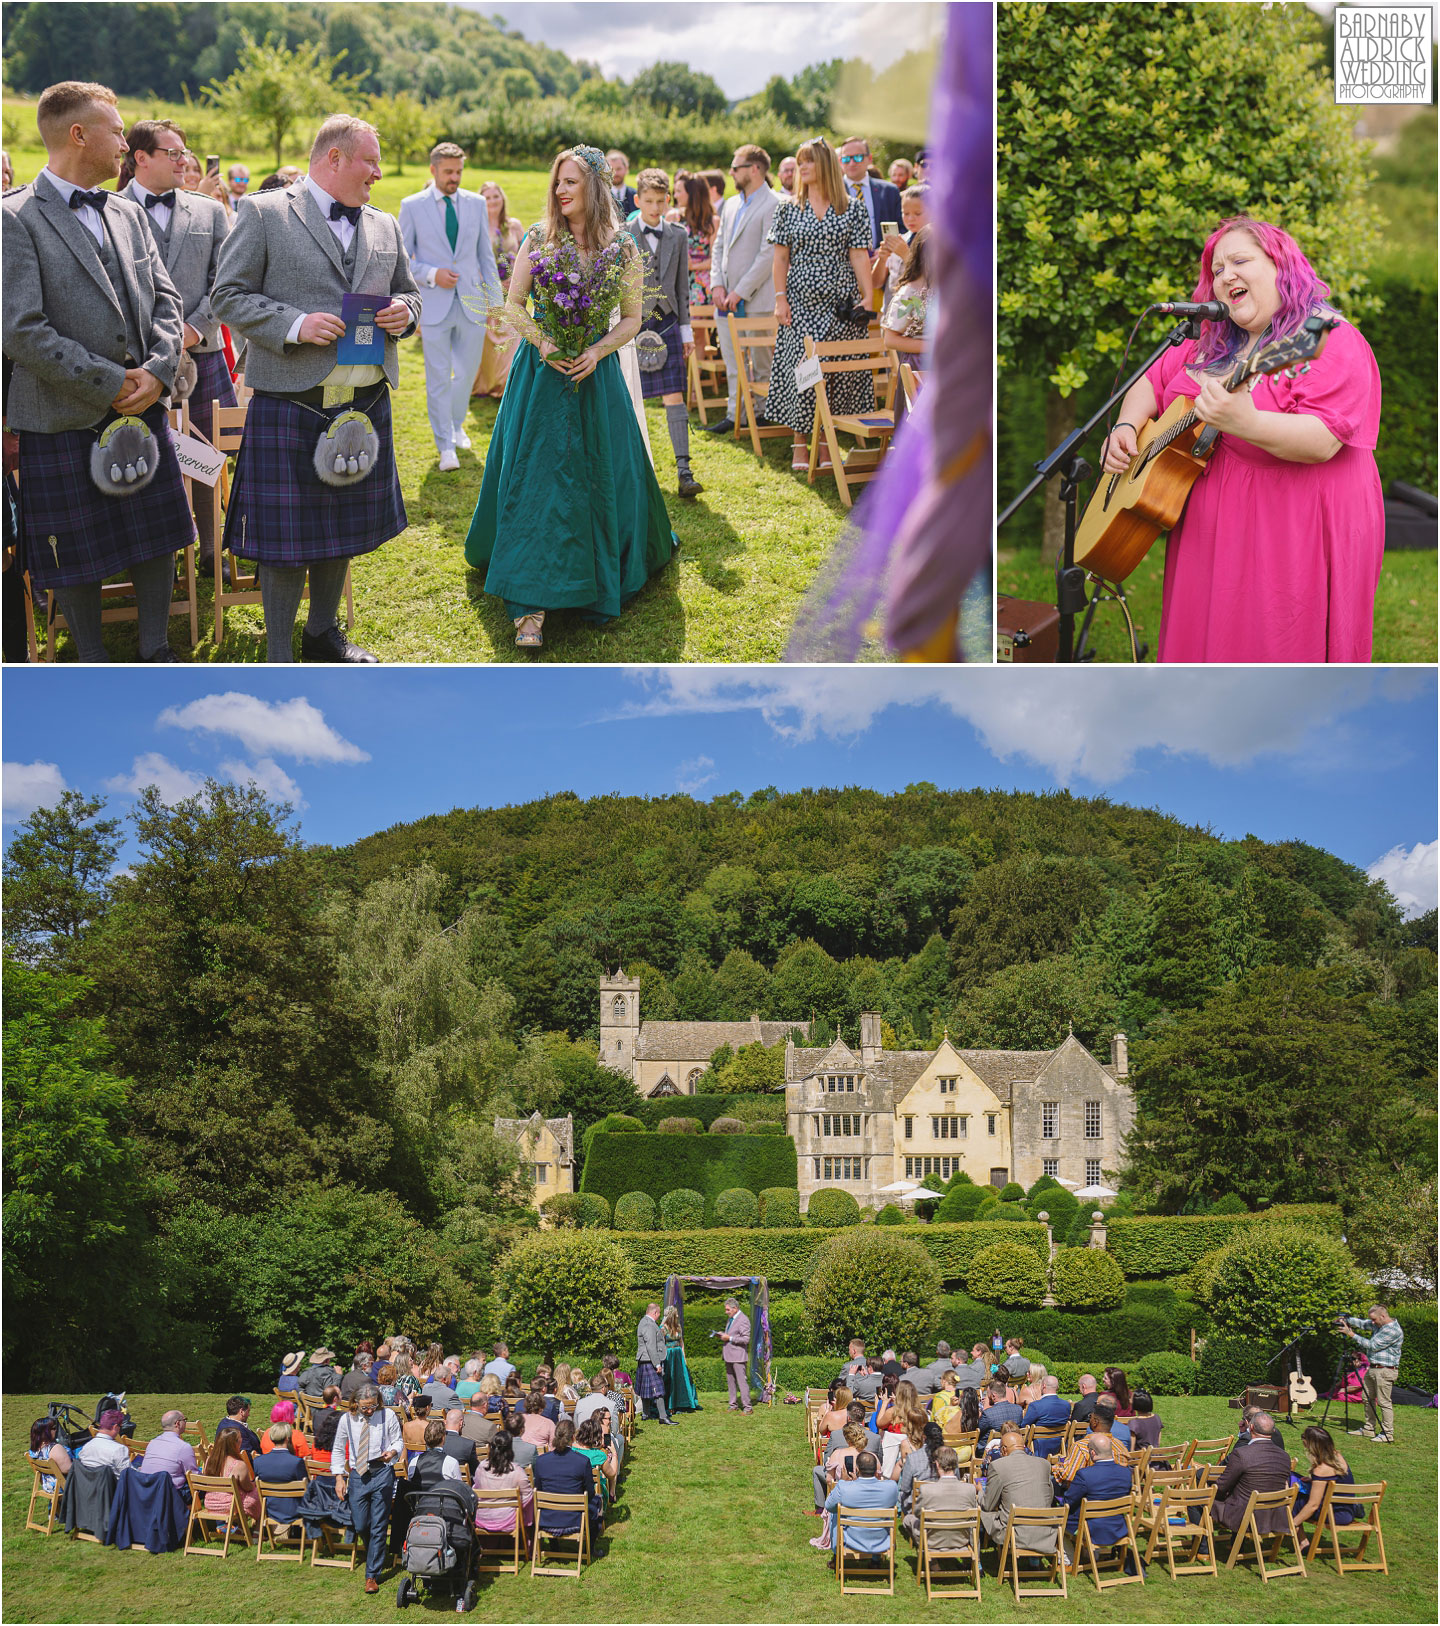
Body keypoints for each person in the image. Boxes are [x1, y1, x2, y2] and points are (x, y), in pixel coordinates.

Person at [1101, 215, 1383, 662]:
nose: (1225, 275)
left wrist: (1244, 422)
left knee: (1279, 645)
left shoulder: (1326, 338)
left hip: (1294, 528)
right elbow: (1149, 383)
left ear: (1281, 266)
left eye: (1240, 261)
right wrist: (1126, 426)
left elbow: (1323, 439)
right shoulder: (1209, 342)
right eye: (1216, 270)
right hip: (1204, 527)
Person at [211, 113, 421, 664]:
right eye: (370, 161)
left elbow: (409, 291)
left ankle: (323, 634)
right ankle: (279, 650)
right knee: (285, 544)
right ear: (334, 158)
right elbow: (226, 297)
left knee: (344, 527)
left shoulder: (384, 224)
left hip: (365, 396)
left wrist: (407, 312)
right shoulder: (263, 213)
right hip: (292, 401)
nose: (377, 172)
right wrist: (293, 324)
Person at [3, 80, 196, 663]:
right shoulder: (13, 218)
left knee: (156, 537)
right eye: (115, 131)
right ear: (78, 134)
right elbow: (21, 329)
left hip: (146, 402)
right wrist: (111, 382)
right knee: (74, 551)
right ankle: (89, 659)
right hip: (61, 415)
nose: (123, 142)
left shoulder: (125, 211)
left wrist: (160, 371)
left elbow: (167, 299)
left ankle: (156, 650)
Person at [463, 144, 677, 649]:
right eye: (557, 181)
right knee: (538, 483)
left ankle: (595, 574)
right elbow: (513, 305)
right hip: (541, 377)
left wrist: (597, 352)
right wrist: (544, 340)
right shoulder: (538, 238)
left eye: (570, 182)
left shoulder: (620, 246)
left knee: (600, 476)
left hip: (595, 379)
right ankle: (528, 602)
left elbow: (631, 317)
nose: (559, 190)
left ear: (595, 188)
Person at [120, 118, 236, 571]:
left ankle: (211, 550)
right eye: (173, 152)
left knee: (206, 452)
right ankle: (152, 557)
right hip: (139, 364)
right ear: (140, 158)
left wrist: (193, 329)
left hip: (202, 356)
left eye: (185, 151)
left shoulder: (208, 211)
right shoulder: (111, 209)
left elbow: (225, 283)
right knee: (140, 458)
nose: (184, 160)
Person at [765, 135, 874, 473]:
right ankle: (800, 443)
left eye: (808, 161)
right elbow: (780, 258)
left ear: (824, 165)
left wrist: (867, 296)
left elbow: (858, 256)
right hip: (799, 304)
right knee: (804, 371)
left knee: (836, 374)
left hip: (840, 304)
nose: (802, 167)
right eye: (800, 162)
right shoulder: (787, 207)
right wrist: (780, 299)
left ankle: (827, 443)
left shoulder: (851, 208)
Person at [398, 141, 500, 471]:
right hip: (435, 305)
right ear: (433, 170)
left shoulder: (476, 203)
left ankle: (457, 426)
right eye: (448, 172)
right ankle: (445, 446)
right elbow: (402, 262)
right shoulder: (412, 206)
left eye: (459, 171)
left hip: (472, 303)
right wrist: (431, 274)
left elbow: (485, 256)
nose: (454, 178)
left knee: (467, 374)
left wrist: (496, 305)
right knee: (439, 376)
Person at [625, 168, 701, 498]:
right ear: (638, 200)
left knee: (675, 395)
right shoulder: (622, 235)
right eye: (649, 202)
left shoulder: (678, 235)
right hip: (633, 325)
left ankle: (684, 471)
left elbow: (683, 288)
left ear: (668, 199)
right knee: (631, 398)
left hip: (668, 322)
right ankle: (634, 471)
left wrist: (687, 334)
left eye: (661, 201)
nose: (655, 208)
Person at [705, 143, 780, 439]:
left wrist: (740, 291)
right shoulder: (731, 204)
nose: (731, 172)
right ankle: (734, 413)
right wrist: (717, 285)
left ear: (754, 169)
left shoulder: (775, 203)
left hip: (757, 298)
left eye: (736, 167)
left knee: (762, 361)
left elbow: (768, 254)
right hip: (726, 299)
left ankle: (760, 414)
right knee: (733, 361)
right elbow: (719, 246)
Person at [331, 1383, 403, 1595]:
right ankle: (376, 1549)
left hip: (382, 1471)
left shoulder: (387, 1415)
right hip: (357, 1474)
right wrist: (338, 1477)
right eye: (365, 1407)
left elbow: (398, 1441)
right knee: (361, 1524)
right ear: (355, 1404)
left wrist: (392, 1452)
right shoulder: (347, 1419)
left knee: (379, 1525)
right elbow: (337, 1448)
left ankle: (371, 1575)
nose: (369, 1410)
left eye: (372, 1406)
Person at [473, 180, 525, 397]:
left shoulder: (514, 225)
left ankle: (507, 383)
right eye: (487, 197)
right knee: (487, 338)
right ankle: (485, 384)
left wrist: (513, 280)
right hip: (485, 291)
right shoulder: (476, 228)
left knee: (513, 334)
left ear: (502, 199)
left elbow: (524, 258)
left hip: (511, 290)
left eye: (496, 196)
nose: (493, 201)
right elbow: (472, 260)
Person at [1210, 1411, 1294, 1535]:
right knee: (1242, 1492)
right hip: (1274, 1517)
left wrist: (1210, 1491)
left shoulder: (1242, 1454)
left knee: (1198, 1501)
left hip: (1245, 1518)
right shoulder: (1285, 1457)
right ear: (1273, 1430)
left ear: (1252, 1427)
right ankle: (1237, 1547)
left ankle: (1203, 1551)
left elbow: (1222, 1487)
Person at [1059, 1434, 1133, 1566]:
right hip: (1118, 1527)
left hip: (1092, 1530)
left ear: (1092, 1453)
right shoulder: (1126, 1473)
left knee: (1058, 1517)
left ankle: (1067, 1560)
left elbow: (1068, 1502)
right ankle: (1091, 1554)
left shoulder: (1085, 1475)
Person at [980, 1426, 1056, 1552]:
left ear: (1004, 1449)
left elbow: (988, 1504)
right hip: (1046, 1533)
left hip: (1015, 1534)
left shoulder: (997, 1465)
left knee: (983, 1510)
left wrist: (980, 1492)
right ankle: (1034, 1563)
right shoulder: (1044, 1464)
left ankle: (980, 1552)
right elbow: (1049, 1496)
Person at [818, 1448, 899, 1562]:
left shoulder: (844, 1487)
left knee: (835, 1514)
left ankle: (837, 1557)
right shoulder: (891, 1487)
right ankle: (876, 1560)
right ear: (876, 1469)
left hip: (850, 1541)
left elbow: (829, 1506)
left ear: (856, 1469)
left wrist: (843, 1481)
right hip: (881, 1541)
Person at [1341, 1303, 1404, 1444]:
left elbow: (1372, 1346)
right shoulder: (1379, 1324)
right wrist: (1346, 1319)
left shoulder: (1393, 1330)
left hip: (1386, 1370)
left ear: (1383, 1316)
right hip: (1374, 1368)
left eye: (1374, 1319)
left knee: (1383, 1402)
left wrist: (1350, 1333)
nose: (1372, 1322)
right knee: (1366, 1398)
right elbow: (1363, 1324)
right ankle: (1369, 1428)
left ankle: (1387, 1433)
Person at [532, 1418, 603, 1538]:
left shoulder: (541, 1461)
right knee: (597, 1501)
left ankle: (554, 1547)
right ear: (573, 1438)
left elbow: (537, 1489)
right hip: (575, 1520)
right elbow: (590, 1493)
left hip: (547, 1519)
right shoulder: (582, 1461)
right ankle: (589, 1549)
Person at [1292, 1425, 1354, 1555]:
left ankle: (1302, 1542)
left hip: (1333, 1514)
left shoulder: (1321, 1470)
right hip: (1347, 1510)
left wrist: (1292, 1524)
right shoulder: (1338, 1457)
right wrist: (1313, 1481)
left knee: (1293, 1499)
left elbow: (1313, 1505)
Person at [837, 135, 902, 254]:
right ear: (840, 161)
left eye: (857, 157)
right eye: (846, 159)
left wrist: (883, 254)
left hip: (884, 262)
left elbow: (903, 229)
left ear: (869, 158)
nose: (852, 163)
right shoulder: (832, 192)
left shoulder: (889, 191)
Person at [909, 1444, 978, 1548]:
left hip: (933, 1540)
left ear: (937, 1464)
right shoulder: (970, 1489)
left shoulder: (926, 1490)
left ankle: (930, 1559)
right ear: (956, 1465)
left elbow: (917, 1513)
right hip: (961, 1540)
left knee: (908, 1520)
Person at [474, 1428, 533, 1538]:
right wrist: (516, 1505)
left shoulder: (481, 1467)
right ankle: (528, 1539)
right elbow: (528, 1495)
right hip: (508, 1518)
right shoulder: (516, 1471)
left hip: (484, 1516)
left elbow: (476, 1488)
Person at [669, 172, 716, 306]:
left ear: (692, 194)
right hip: (677, 280)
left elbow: (716, 259)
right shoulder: (672, 218)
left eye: (679, 191)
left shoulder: (712, 222)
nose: (675, 196)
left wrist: (692, 266)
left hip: (702, 283)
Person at [252, 1422, 308, 1526]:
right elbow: (306, 1489)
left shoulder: (258, 1462)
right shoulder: (296, 1462)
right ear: (287, 1438)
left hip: (269, 1509)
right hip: (294, 1510)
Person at [635, 1299, 675, 1424]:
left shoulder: (644, 1321)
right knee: (658, 1390)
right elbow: (651, 1345)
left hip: (646, 1360)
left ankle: (646, 1414)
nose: (659, 1316)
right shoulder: (648, 1324)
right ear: (655, 1312)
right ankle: (663, 1417)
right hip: (649, 1360)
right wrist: (657, 1364)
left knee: (645, 1389)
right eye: (659, 1314)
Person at [659, 1304, 700, 1414]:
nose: (678, 1315)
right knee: (670, 1380)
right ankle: (670, 1404)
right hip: (669, 1356)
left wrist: (684, 1356)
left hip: (678, 1356)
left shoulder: (678, 1326)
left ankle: (683, 1403)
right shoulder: (663, 1328)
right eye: (676, 1313)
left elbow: (681, 1343)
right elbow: (660, 1345)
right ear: (671, 1316)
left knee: (681, 1379)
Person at [718, 1295, 753, 1415]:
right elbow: (731, 1334)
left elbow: (746, 1339)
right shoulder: (731, 1319)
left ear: (735, 1308)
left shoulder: (743, 1320)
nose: (726, 1312)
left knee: (742, 1382)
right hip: (729, 1355)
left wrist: (730, 1338)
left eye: (728, 1309)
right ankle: (733, 1405)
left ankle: (748, 1407)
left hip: (738, 1357)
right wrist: (724, 1335)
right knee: (731, 1382)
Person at [408, 1417, 463, 1490]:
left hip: (420, 1500)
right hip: (443, 1500)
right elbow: (459, 1489)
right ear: (443, 1438)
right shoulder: (451, 1463)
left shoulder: (413, 1462)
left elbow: (411, 1486)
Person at [28, 1417, 73, 1495]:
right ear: (46, 1432)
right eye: (53, 1428)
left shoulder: (33, 1451)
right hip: (62, 1486)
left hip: (48, 1486)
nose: (56, 1430)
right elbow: (67, 1469)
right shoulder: (55, 1448)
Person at [978, 1378, 1023, 1446]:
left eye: (988, 1394)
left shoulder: (988, 1414)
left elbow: (978, 1431)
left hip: (990, 1449)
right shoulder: (1018, 1410)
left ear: (993, 1396)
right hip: (1013, 1445)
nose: (987, 1397)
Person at [311, 1386, 343, 1465]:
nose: (342, 1397)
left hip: (317, 1453)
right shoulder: (342, 1417)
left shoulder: (316, 1415)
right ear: (335, 1399)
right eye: (340, 1394)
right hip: (335, 1455)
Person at [606, 149, 637, 218]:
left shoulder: (636, 194)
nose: (615, 173)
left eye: (619, 169)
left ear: (626, 169)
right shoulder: (601, 197)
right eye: (611, 170)